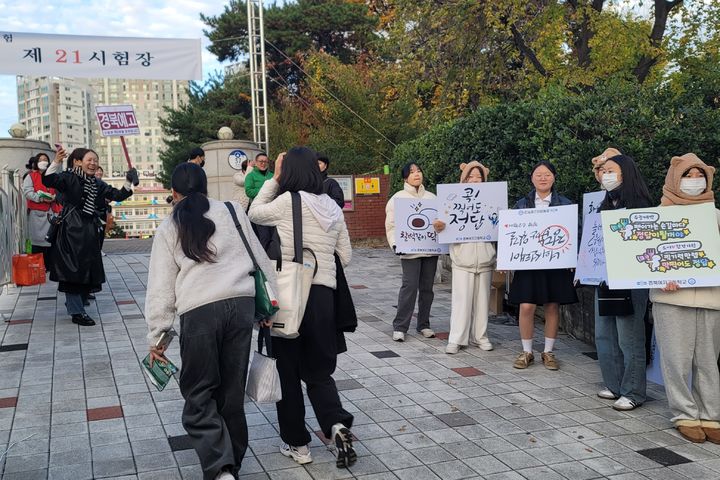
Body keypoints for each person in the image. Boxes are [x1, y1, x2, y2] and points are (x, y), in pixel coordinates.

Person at [145, 163, 276, 480]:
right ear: (205, 188)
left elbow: (161, 286)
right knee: (231, 391)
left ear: (173, 193)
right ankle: (232, 462)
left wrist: (158, 337)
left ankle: (220, 468)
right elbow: (259, 257)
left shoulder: (169, 225)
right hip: (241, 305)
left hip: (200, 310)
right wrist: (271, 307)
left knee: (199, 392)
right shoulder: (231, 210)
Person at [248, 147, 356, 469]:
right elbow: (346, 256)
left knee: (288, 373)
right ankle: (336, 427)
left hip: (291, 298)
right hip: (324, 299)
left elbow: (254, 212)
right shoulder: (334, 209)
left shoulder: (286, 202)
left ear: (289, 172)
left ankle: (298, 445)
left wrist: (275, 179)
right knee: (320, 373)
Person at [650, 153, 720, 443]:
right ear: (674, 180)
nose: (694, 181)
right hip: (670, 298)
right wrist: (657, 276)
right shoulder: (657, 214)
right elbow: (644, 260)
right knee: (676, 359)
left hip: (711, 297)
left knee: (708, 360)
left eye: (698, 175)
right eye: (687, 176)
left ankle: (711, 414)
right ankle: (684, 413)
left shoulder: (715, 215)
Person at [42, 147, 137, 326]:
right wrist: (56, 161)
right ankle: (76, 311)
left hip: (89, 230)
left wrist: (128, 181)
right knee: (72, 270)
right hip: (71, 231)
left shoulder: (97, 183)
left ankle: (77, 302)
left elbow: (116, 195)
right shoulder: (68, 177)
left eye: (95, 160)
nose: (93, 163)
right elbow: (48, 179)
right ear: (78, 161)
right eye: (89, 160)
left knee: (88, 268)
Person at [595, 154, 653, 410]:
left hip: (631, 280)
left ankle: (634, 391)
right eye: (603, 171)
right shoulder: (606, 204)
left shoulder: (640, 205)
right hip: (605, 278)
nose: (605, 174)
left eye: (611, 170)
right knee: (604, 334)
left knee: (629, 337)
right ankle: (614, 384)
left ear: (626, 173)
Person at [509, 161, 577, 370]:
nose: (543, 178)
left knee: (552, 305)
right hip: (528, 262)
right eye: (538, 174)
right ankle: (527, 351)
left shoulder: (565, 204)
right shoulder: (521, 205)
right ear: (532, 178)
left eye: (547, 174)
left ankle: (548, 352)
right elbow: (510, 233)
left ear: (554, 177)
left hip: (555, 263)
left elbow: (576, 232)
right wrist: (506, 259)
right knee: (526, 305)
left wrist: (574, 259)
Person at [433, 161, 496, 354]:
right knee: (461, 301)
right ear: (464, 179)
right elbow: (441, 226)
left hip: (485, 259)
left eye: (479, 177)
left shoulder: (492, 200)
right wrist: (439, 226)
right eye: (471, 177)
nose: (475, 180)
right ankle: (456, 338)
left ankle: (481, 337)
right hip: (462, 259)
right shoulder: (452, 200)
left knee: (482, 302)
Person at [385, 162, 439, 342]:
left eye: (419, 171)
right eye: (411, 172)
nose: (416, 174)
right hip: (409, 252)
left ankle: (424, 324)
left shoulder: (433, 198)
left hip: (430, 251)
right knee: (409, 287)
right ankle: (400, 326)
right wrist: (395, 244)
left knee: (427, 289)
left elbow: (441, 223)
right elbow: (391, 226)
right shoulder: (397, 199)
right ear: (405, 177)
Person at [22, 153, 60, 267]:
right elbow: (27, 192)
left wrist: (54, 197)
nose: (43, 161)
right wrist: (41, 198)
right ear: (36, 162)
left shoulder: (53, 175)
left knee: (51, 239)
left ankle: (50, 265)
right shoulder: (31, 176)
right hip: (37, 213)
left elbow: (60, 191)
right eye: (41, 159)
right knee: (37, 240)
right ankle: (38, 265)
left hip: (52, 212)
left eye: (46, 159)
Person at [245, 152, 275, 250]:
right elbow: (249, 192)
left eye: (266, 161)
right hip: (258, 210)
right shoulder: (250, 176)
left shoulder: (272, 175)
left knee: (274, 237)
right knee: (264, 237)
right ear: (256, 163)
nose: (263, 163)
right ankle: (263, 260)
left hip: (272, 209)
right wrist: (265, 189)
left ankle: (273, 258)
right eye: (261, 161)